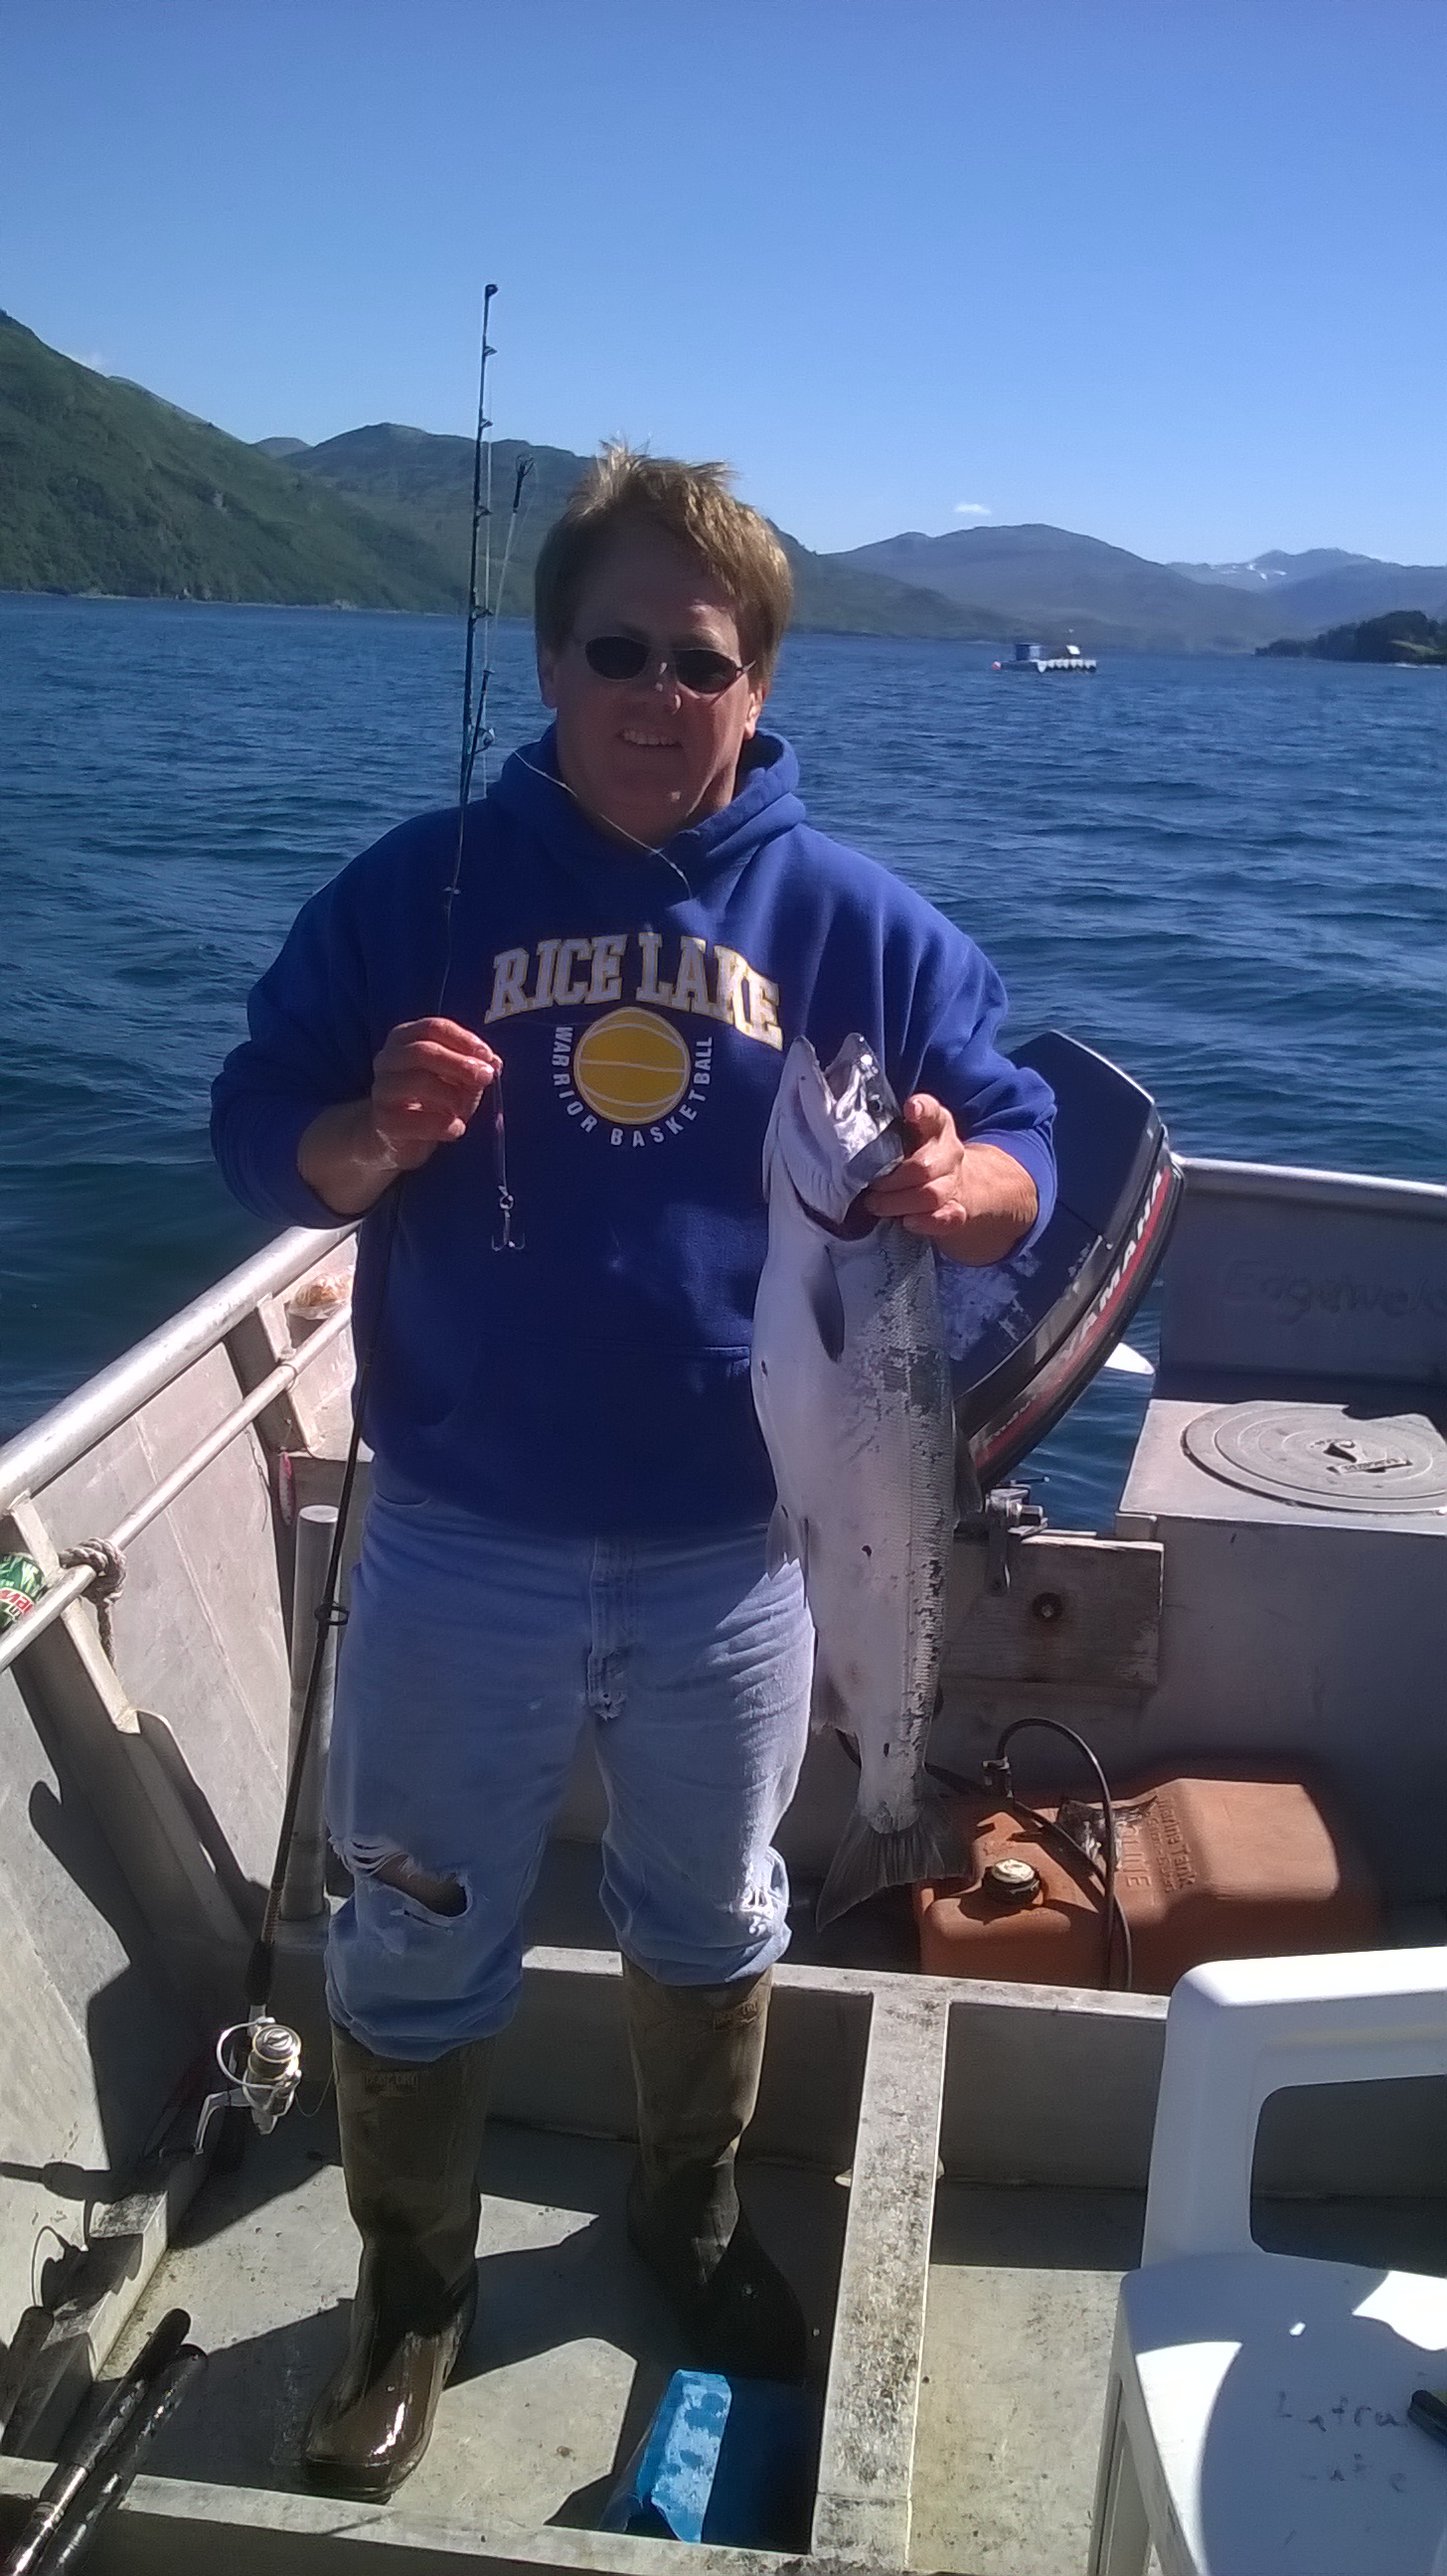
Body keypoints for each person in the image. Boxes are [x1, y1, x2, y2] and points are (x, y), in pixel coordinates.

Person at [211, 448, 1055, 2498]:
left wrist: (963, 1189)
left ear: (758, 684)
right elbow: (256, 1122)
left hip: (737, 1556)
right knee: (413, 1928)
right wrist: (367, 1137)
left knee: (712, 1907)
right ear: (547, 662)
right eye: (617, 653)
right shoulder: (418, 890)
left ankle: (684, 2218)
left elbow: (1022, 1145)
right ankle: (413, 2291)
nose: (658, 696)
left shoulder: (860, 929)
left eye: (702, 660)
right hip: (458, 1536)